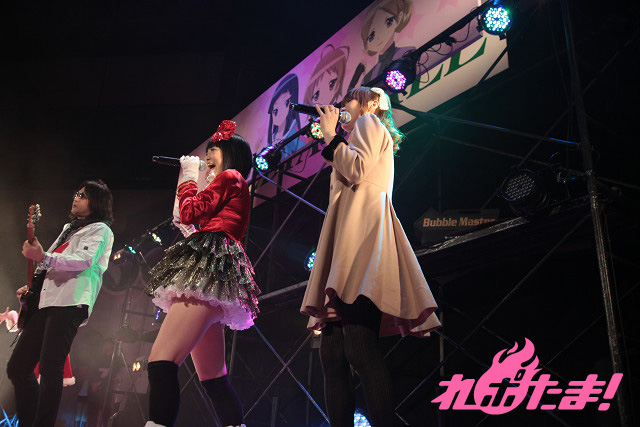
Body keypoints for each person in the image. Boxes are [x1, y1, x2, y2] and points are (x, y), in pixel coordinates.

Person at [300, 87, 440, 426]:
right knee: (333, 355)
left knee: (358, 348)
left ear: (371, 103)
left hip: (361, 237)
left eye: (348, 101)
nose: (341, 107)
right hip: (350, 235)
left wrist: (331, 135)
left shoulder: (368, 124)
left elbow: (357, 169)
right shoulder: (357, 136)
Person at [143, 120, 260, 427]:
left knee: (160, 363)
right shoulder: (230, 184)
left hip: (208, 273)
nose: (208, 155)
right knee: (214, 379)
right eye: (208, 149)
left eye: (215, 150)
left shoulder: (231, 177)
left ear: (232, 155)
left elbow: (190, 211)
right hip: (213, 273)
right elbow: (189, 219)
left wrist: (188, 178)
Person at [7, 179, 114, 427]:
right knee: (18, 367)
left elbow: (83, 259)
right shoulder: (70, 228)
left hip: (70, 303)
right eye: (76, 193)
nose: (75, 197)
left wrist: (42, 256)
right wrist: (32, 289)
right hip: (47, 303)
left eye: (83, 195)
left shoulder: (100, 230)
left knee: (50, 368)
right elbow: (50, 264)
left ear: (97, 202)